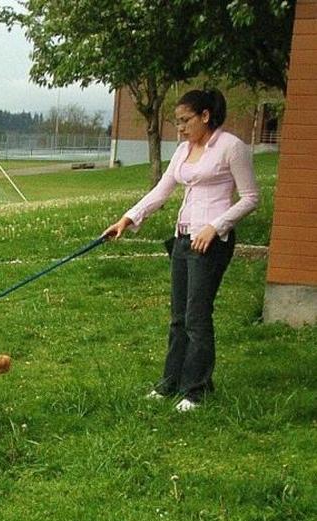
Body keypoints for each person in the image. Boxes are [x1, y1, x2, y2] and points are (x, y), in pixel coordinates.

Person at [103, 88, 260, 411]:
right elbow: (160, 192)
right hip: (183, 239)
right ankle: (170, 382)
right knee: (178, 317)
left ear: (205, 116)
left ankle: (196, 390)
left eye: (185, 120)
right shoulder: (184, 151)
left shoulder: (231, 147)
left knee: (197, 317)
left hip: (211, 243)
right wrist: (127, 219)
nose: (180, 128)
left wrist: (216, 227)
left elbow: (250, 198)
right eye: (177, 122)